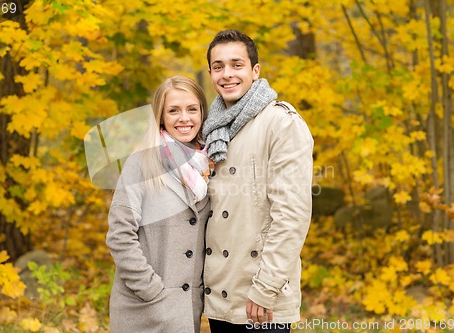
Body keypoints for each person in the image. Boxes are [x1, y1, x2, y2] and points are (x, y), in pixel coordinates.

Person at [202, 30, 314, 333]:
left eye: (236, 65)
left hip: (261, 297)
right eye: (218, 66)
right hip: (219, 292)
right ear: (211, 73)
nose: (227, 74)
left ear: (255, 71)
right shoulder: (211, 129)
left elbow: (292, 214)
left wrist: (265, 287)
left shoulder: (281, 122)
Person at [106, 76, 213, 333]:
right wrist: (152, 290)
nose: (184, 118)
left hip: (188, 310)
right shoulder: (141, 163)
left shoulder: (208, 164)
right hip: (145, 310)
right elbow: (120, 236)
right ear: (160, 117)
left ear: (202, 112)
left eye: (192, 109)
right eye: (173, 110)